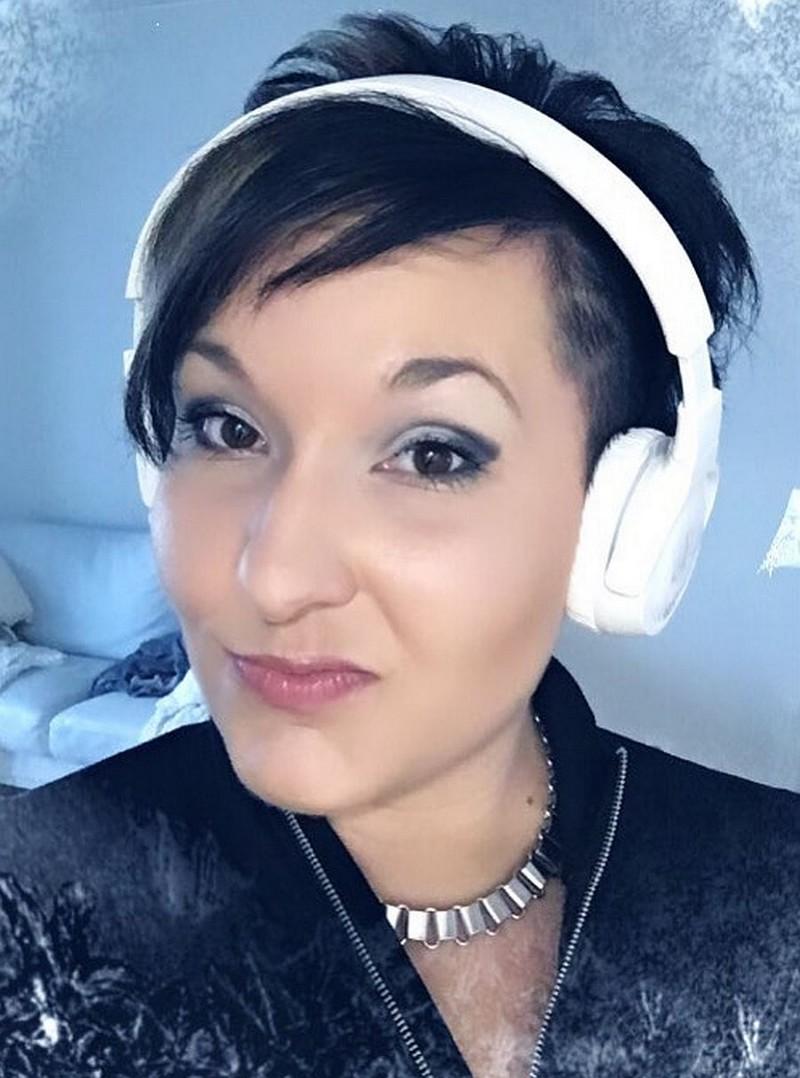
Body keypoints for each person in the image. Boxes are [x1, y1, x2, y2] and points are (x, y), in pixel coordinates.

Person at [1, 11, 798, 1078]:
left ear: (624, 518)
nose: (273, 576)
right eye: (226, 427)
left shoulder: (771, 898)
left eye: (430, 454)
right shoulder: (34, 922)